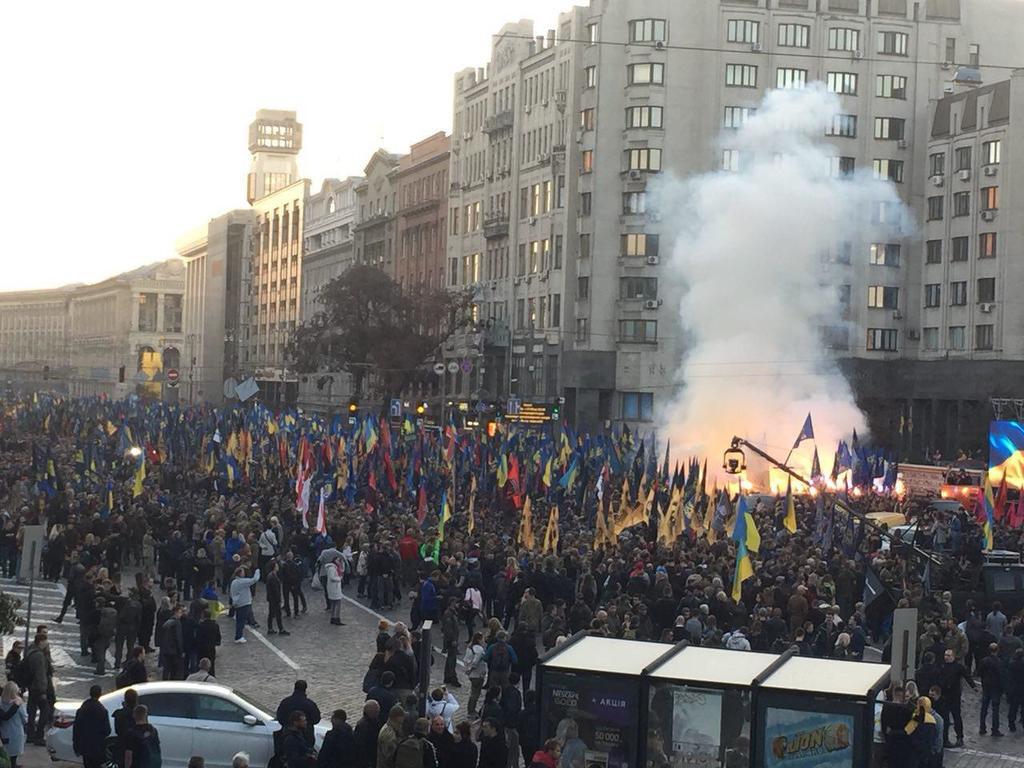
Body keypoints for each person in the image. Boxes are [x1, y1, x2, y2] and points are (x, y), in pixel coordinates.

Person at [937, 647, 974, 747]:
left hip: (954, 696)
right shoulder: (941, 666)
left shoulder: (958, 667)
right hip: (944, 695)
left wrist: (973, 686)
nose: (946, 657)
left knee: (956, 716)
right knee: (945, 718)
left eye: (948, 655)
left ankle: (960, 737)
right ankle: (945, 739)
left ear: (953, 657)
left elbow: (967, 676)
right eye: (945, 655)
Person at [74, 685, 112, 768]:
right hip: (97, 747)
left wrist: (76, 745)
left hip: (84, 745)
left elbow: (76, 729)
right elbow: (107, 730)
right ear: (100, 694)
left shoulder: (82, 709)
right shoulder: (102, 711)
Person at [23, 635, 51, 745]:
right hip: (38, 688)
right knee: (45, 711)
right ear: (41, 642)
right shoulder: (39, 655)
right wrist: (43, 691)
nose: (46, 643)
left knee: (32, 710)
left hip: (31, 686)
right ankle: (39, 736)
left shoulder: (30, 650)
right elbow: (40, 675)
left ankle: (30, 734)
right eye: (45, 641)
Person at [276, 681, 322, 745]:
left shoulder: (285, 702)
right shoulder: (310, 704)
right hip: (306, 737)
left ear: (294, 688)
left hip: (286, 735)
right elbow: (316, 719)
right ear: (305, 689)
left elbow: (280, 717)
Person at [978, 641, 1004, 736]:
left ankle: (982, 727)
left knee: (984, 707)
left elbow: (979, 672)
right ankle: (995, 729)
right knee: (995, 709)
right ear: (997, 650)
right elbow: (1001, 675)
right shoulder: (999, 662)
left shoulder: (984, 660)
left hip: (986, 685)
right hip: (996, 687)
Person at [229, 566, 261, 643]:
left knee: (239, 621)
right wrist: (257, 571)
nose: (244, 573)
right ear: (240, 573)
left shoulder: (234, 582)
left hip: (237, 603)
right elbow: (255, 579)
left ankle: (238, 636)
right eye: (243, 572)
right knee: (241, 621)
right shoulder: (242, 582)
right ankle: (238, 637)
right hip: (244, 603)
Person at [0, 681, 28, 768]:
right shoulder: (18, 703)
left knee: (5, 752)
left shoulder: (1, 702)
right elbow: (24, 718)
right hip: (15, 731)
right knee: (13, 754)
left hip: (3, 731)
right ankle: (13, 765)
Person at [113, 689, 140, 768]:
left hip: (122, 746)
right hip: (136, 748)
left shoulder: (119, 713)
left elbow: (117, 730)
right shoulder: (138, 713)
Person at [159, 604, 185, 680]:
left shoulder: (167, 622)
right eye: (180, 612)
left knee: (166, 669)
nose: (181, 614)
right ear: (176, 612)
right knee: (174, 670)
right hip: (174, 651)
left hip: (166, 650)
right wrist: (181, 651)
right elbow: (178, 638)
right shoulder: (177, 623)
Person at [463, 632, 487, 717]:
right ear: (479, 639)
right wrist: (471, 669)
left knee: (474, 692)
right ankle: (471, 710)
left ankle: (471, 709)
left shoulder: (470, 648)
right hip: (477, 674)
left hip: (472, 674)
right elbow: (475, 662)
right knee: (475, 693)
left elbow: (466, 659)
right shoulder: (479, 649)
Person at [353, 701, 381, 768]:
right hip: (366, 760)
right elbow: (361, 746)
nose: (378, 712)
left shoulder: (373, 722)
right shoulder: (363, 726)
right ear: (371, 712)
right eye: (377, 711)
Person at [266, 559, 289, 636]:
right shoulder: (272, 577)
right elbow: (275, 590)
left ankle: (270, 628)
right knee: (277, 614)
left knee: (271, 613)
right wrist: (278, 599)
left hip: (271, 598)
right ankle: (280, 629)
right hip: (274, 599)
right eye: (276, 566)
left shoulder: (271, 575)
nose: (278, 567)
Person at [326, 556, 345, 626]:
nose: (339, 561)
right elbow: (332, 577)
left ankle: (333, 617)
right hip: (334, 588)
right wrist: (339, 578)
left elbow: (342, 571)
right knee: (337, 603)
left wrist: (342, 564)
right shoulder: (332, 568)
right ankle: (337, 618)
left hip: (335, 588)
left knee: (334, 604)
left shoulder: (336, 568)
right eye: (338, 560)